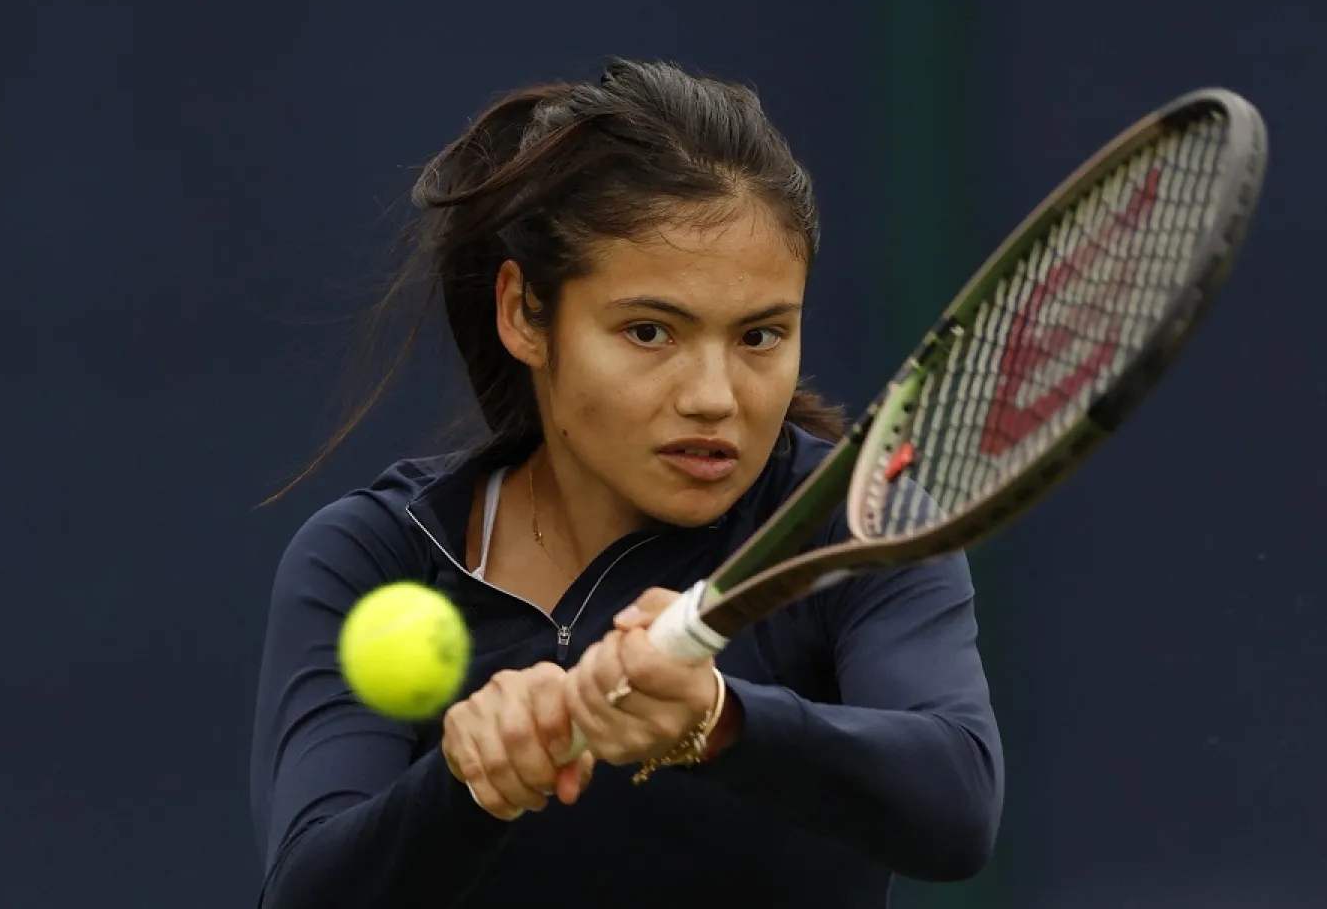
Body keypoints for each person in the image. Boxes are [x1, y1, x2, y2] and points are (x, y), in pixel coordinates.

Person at [249, 57, 1004, 909]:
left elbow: (956, 801)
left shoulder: (855, 528)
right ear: (523, 313)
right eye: (650, 331)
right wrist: (469, 784)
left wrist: (721, 718)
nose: (715, 396)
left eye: (760, 336)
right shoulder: (374, 555)